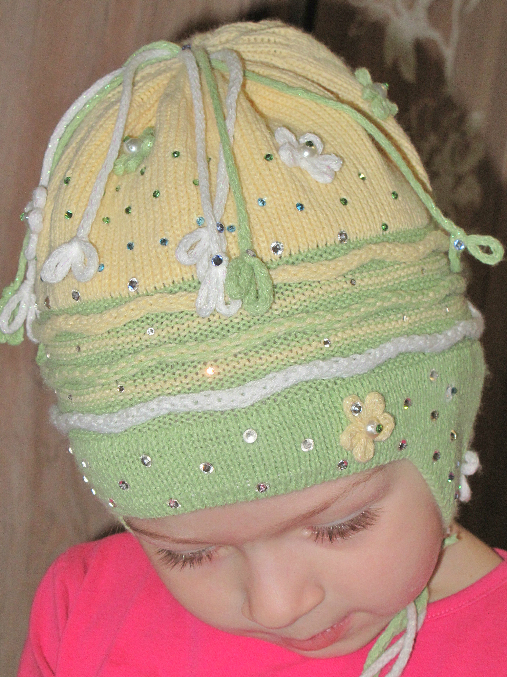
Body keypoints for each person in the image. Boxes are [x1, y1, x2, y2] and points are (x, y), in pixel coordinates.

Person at [1, 20, 506, 677]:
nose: (277, 604)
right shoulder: (84, 611)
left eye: (340, 526)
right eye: (186, 553)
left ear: (443, 423)